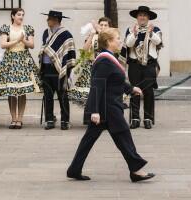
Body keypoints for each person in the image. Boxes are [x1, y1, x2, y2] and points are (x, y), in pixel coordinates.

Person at [67, 28, 155, 182]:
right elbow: (97, 86)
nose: (120, 41)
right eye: (118, 38)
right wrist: (94, 111)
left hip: (108, 108)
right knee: (123, 135)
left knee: (91, 139)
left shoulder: (109, 58)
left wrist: (130, 89)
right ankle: (135, 170)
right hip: (107, 108)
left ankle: (74, 169)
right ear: (108, 42)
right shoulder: (104, 60)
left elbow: (115, 80)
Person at [0, 8, 40, 129]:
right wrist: (17, 40)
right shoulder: (6, 28)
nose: (21, 17)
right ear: (13, 16)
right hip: (10, 61)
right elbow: (3, 44)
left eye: (22, 14)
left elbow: (32, 45)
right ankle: (13, 119)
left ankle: (20, 119)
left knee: (22, 92)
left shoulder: (28, 28)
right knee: (11, 91)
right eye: (18, 14)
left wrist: (23, 40)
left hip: (23, 60)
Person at [125, 6, 163, 129]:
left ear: (148, 18)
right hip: (134, 64)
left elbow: (158, 42)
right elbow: (128, 43)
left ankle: (148, 118)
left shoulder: (155, 29)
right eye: (140, 15)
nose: (142, 17)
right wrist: (135, 34)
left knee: (148, 92)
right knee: (134, 91)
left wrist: (150, 33)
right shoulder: (131, 29)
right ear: (137, 17)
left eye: (144, 15)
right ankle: (135, 119)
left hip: (149, 65)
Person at [39, 10, 76, 130]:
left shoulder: (66, 34)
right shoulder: (46, 32)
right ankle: (49, 120)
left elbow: (70, 52)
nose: (47, 20)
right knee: (48, 95)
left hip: (59, 69)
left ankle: (65, 120)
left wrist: (67, 68)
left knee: (62, 95)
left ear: (55, 20)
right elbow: (44, 47)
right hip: (46, 68)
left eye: (49, 18)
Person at [69, 17, 112, 108]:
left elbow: (108, 46)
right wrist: (92, 34)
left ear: (109, 27)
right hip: (91, 66)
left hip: (105, 67)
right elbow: (84, 50)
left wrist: (99, 31)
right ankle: (88, 117)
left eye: (105, 25)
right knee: (90, 94)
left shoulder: (111, 37)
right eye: (101, 25)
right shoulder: (93, 35)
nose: (103, 27)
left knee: (103, 93)